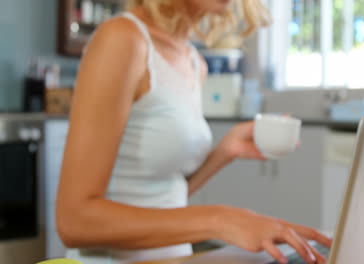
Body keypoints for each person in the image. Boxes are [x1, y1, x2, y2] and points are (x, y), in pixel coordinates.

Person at [56, 0, 331, 263]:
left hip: (175, 258)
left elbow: (166, 195)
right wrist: (221, 220)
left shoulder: (194, 61)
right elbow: (75, 221)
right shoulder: (122, 38)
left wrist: (224, 152)